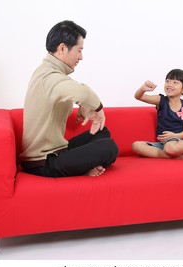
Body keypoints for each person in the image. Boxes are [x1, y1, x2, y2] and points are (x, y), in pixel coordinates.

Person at [19, 20, 118, 177]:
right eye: (79, 50)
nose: (81, 57)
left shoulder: (51, 73)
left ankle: (82, 167)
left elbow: (73, 91)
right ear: (63, 48)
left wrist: (84, 107)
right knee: (109, 147)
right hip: (43, 162)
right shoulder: (49, 76)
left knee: (101, 132)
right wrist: (98, 108)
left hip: (56, 151)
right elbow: (83, 93)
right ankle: (82, 168)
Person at [132, 69, 183, 159]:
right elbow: (138, 96)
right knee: (136, 145)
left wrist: (174, 136)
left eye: (175, 82)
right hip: (163, 144)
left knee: (170, 147)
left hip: (180, 142)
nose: (169, 84)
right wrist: (143, 89)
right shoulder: (161, 100)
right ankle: (179, 157)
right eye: (167, 81)